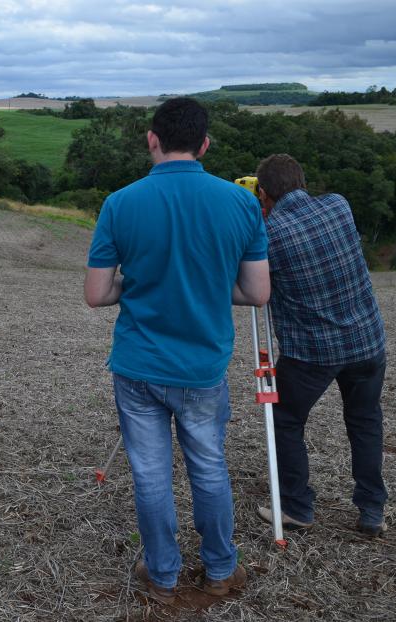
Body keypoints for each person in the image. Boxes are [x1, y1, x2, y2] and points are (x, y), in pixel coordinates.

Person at [85, 97, 270, 604]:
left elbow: (97, 293)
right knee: (208, 468)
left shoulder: (120, 202)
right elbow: (256, 292)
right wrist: (209, 284)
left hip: (138, 366)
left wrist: (141, 284)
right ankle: (220, 569)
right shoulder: (241, 203)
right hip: (201, 368)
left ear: (152, 139)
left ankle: (162, 576)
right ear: (205, 144)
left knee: (150, 474)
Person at [254, 154, 388, 537]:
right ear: (302, 181)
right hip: (367, 341)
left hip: (312, 352)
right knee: (365, 421)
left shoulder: (269, 234)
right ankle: (372, 508)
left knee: (284, 420)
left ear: (263, 192)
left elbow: (256, 285)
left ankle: (297, 507)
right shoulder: (338, 206)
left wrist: (256, 216)